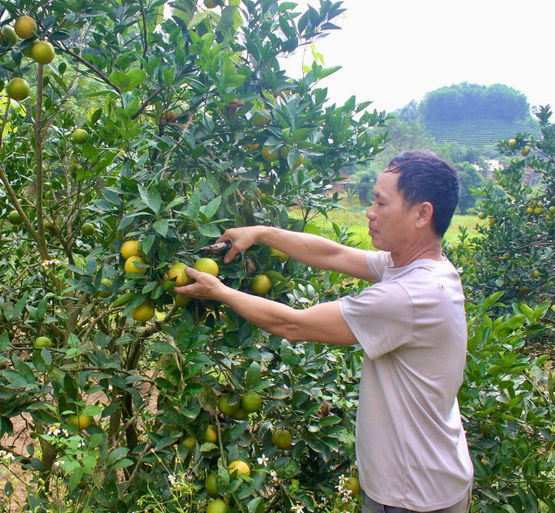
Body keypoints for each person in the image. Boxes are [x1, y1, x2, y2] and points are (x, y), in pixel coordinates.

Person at [175, 150, 474, 513]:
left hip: (413, 497)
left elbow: (293, 325)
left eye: (381, 202)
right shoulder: (421, 269)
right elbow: (334, 255)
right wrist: (261, 233)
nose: (370, 211)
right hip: (432, 475)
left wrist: (219, 292)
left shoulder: (408, 295)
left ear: (422, 214)